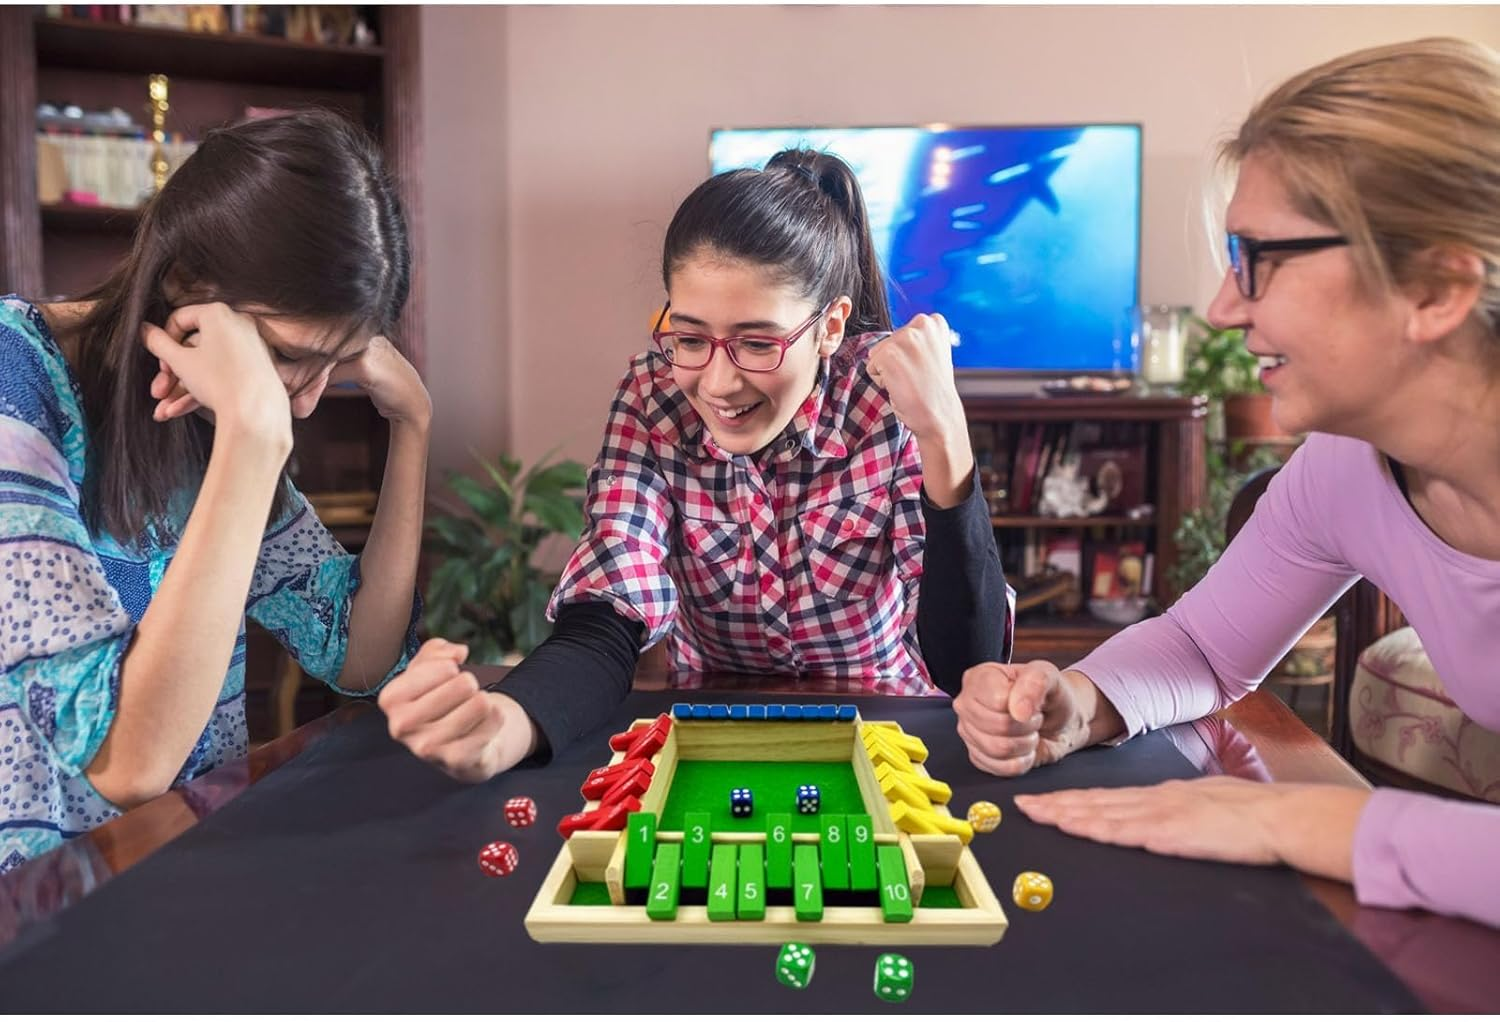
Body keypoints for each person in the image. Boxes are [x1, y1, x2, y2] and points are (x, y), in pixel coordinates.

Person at [953, 37, 1500, 929]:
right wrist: (1082, 703)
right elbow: (1207, 649)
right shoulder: (1341, 469)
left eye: (1258, 257)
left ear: (1436, 286)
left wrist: (1309, 819)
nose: (1221, 307)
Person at [381, 149, 1011, 782]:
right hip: (712, 734)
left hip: (884, 731)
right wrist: (509, 723)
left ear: (829, 329)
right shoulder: (651, 400)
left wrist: (945, 434)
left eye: (757, 343)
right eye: (689, 338)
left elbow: (966, 664)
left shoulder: (886, 398)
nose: (717, 383)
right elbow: (607, 616)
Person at [0, 109, 428, 872]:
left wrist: (413, 426)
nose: (303, 400)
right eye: (289, 355)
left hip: (175, 880)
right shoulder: (13, 380)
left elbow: (357, 654)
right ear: (185, 285)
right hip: (36, 920)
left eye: (339, 364)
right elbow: (127, 763)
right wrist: (252, 439)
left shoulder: (209, 416)